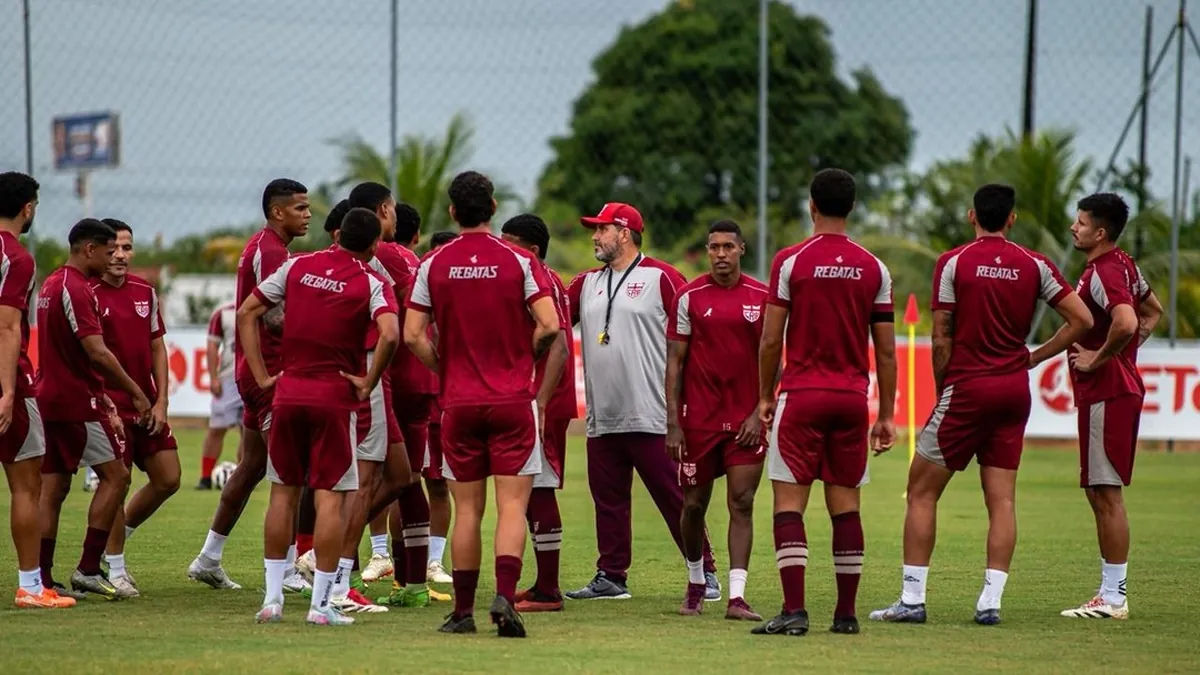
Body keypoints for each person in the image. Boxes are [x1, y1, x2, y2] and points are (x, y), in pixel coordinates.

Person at [869, 184, 1093, 626]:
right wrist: (1034, 356)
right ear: (1011, 219)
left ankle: (912, 600)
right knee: (1002, 501)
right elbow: (1082, 319)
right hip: (1013, 390)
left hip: (968, 388)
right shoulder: (1036, 263)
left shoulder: (954, 262)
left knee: (920, 490)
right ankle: (990, 603)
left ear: (972, 216)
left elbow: (941, 337)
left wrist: (942, 390)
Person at [404, 171, 560, 637]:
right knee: (512, 506)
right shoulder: (519, 260)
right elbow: (549, 325)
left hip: (460, 402)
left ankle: (463, 612)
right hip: (512, 399)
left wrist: (445, 369)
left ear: (452, 211)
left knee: (466, 509)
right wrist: (523, 359)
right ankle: (506, 597)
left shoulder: (433, 263)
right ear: (493, 208)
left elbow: (412, 334)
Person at [753, 168, 896, 637]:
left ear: (811, 206)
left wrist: (764, 396)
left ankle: (794, 610)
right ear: (852, 207)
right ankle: (846, 615)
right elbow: (888, 350)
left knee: (788, 505)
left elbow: (771, 339)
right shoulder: (874, 267)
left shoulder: (791, 261)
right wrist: (889, 413)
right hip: (852, 399)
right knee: (846, 507)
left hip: (803, 395)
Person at [243, 206, 399, 626]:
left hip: (289, 392)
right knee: (332, 497)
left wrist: (261, 374)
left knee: (283, 493)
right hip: (335, 397)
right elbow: (391, 333)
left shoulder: (298, 266)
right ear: (373, 245)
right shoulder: (371, 281)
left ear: (337, 234)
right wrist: (367, 380)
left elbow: (247, 312)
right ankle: (320, 606)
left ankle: (273, 599)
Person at [565, 202, 718, 602]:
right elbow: (551, 320)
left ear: (625, 232)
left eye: (601, 229)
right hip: (603, 416)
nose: (595, 237)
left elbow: (694, 336)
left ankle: (708, 574)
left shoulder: (663, 277)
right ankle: (611, 575)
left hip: (653, 414)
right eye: (593, 230)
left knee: (677, 499)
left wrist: (689, 405)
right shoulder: (585, 283)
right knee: (608, 502)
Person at [188, 178, 310, 590]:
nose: (307, 214)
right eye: (299, 208)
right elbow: (269, 314)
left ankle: (208, 557)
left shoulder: (266, 246)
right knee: (292, 474)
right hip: (269, 373)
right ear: (277, 212)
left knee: (252, 466)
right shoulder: (271, 250)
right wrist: (318, 331)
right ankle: (287, 570)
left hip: (252, 371)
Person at [1059, 193, 1163, 620]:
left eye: (1080, 222)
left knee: (1105, 494)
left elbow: (1127, 320)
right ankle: (1111, 593)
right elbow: (1153, 311)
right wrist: (1124, 355)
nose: (1073, 228)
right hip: (1114, 389)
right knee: (1100, 491)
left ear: (1100, 232)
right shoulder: (1124, 263)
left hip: (1107, 392)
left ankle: (1113, 597)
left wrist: (1100, 359)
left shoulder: (1104, 270)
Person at [36, 219, 151, 600]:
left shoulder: (52, 284)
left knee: (53, 488)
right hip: (76, 404)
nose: (112, 257)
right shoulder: (77, 288)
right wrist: (134, 392)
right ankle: (88, 567)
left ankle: (41, 577)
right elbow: (97, 352)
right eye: (107, 250)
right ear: (89, 249)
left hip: (51, 397)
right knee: (117, 477)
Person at [666, 220, 767, 619]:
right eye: (714, 247)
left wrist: (759, 411)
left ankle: (737, 597)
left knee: (742, 502)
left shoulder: (762, 297)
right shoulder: (689, 296)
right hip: (698, 422)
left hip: (745, 423)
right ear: (707, 251)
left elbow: (772, 359)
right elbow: (675, 363)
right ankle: (696, 580)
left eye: (728, 246)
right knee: (693, 505)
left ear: (742, 249)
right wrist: (673, 423)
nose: (721, 254)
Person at [92, 219, 181, 598]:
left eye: (126, 248)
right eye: (112, 248)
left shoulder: (145, 290)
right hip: (108, 406)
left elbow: (158, 345)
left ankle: (118, 534)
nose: (120, 255)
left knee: (169, 478)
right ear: (97, 251)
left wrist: (162, 400)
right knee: (117, 481)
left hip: (146, 405)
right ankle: (115, 568)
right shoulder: (88, 292)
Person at [0, 172, 73, 608]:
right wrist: (8, 391)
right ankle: (30, 585)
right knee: (26, 486)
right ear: (27, 207)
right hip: (9, 379)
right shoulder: (18, 258)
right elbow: (8, 326)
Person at [500, 214, 578, 613]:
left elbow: (561, 344)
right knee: (529, 489)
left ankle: (549, 589)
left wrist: (541, 401)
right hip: (540, 394)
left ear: (531, 250)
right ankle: (542, 584)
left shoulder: (537, 277)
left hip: (541, 396)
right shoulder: (541, 276)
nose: (501, 247)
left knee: (540, 485)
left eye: (509, 242)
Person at [423, 229, 459, 584]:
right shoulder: (418, 280)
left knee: (439, 484)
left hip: (443, 402)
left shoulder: (458, 290)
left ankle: (434, 561)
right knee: (396, 483)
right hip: (414, 398)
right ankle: (380, 554)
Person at [198, 300, 242, 488]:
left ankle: (243, 478)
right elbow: (212, 346)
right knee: (217, 428)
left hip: (257, 376)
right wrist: (213, 377)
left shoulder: (268, 306)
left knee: (249, 432)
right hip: (228, 378)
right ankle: (205, 477)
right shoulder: (224, 314)